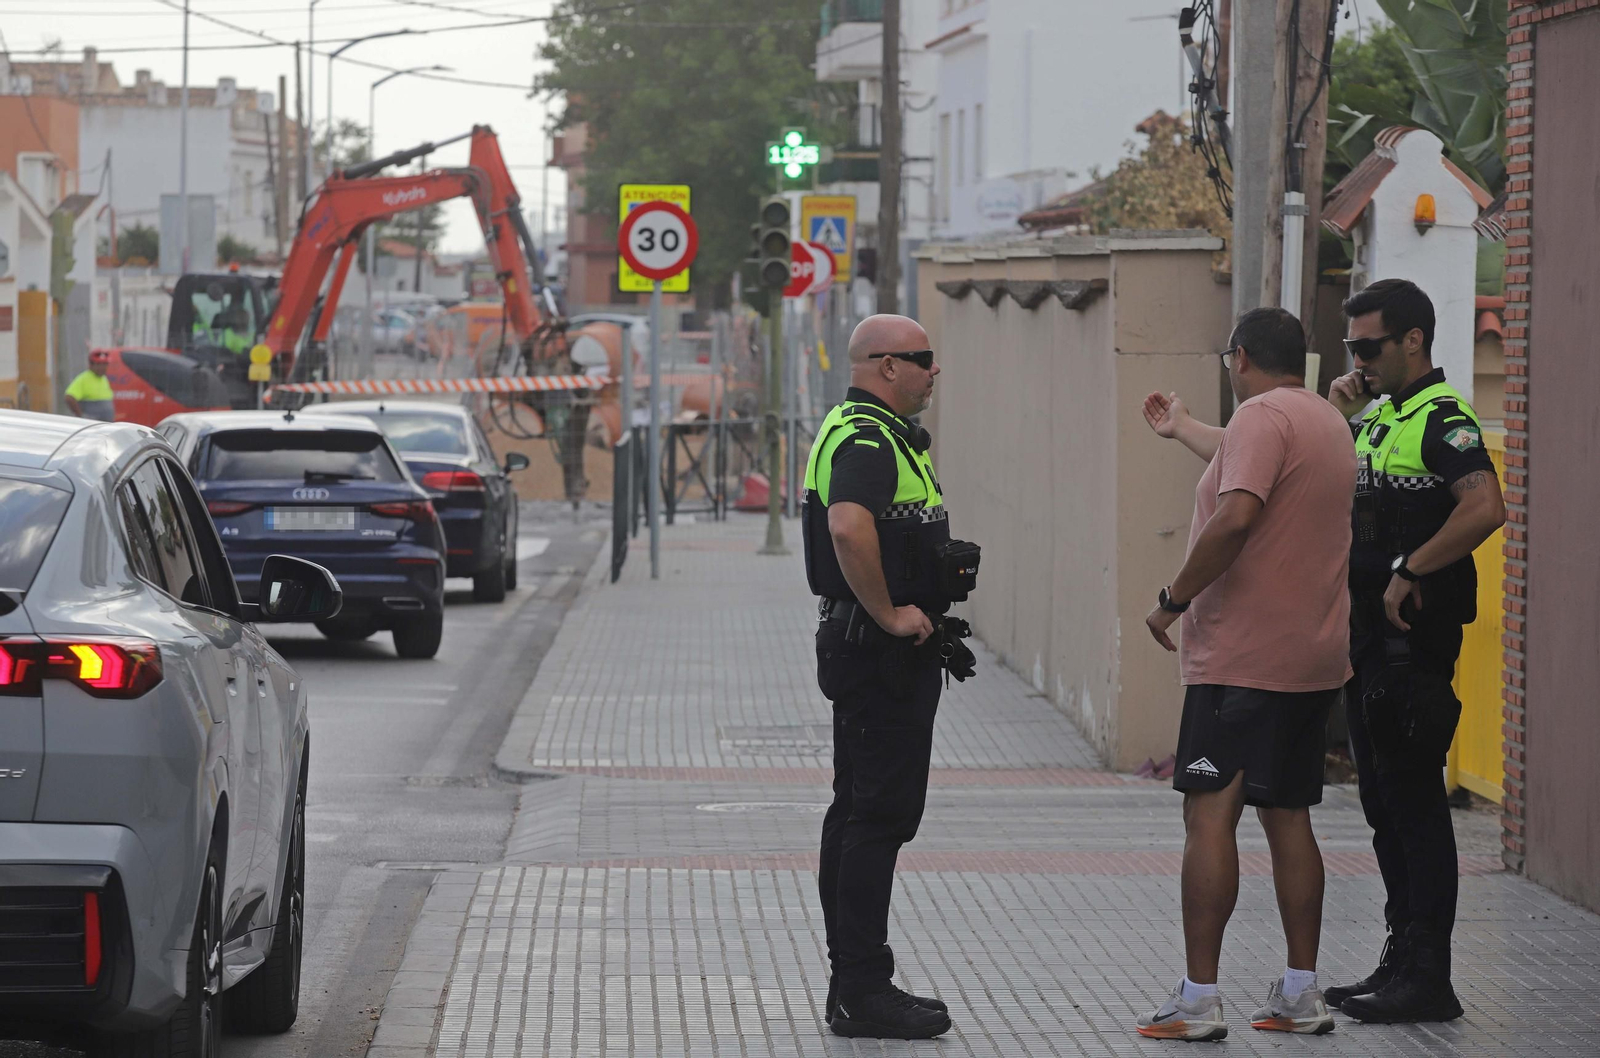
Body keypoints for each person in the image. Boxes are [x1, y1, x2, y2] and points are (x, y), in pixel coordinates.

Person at [1137, 307, 1356, 1041]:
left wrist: (1172, 601)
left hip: (1241, 659)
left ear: (1239, 359)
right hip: (1311, 655)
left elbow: (1235, 515)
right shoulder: (1324, 421)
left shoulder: (1262, 418)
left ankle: (1198, 999)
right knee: (1287, 813)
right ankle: (1302, 992)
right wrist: (1183, 429)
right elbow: (1241, 454)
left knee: (1210, 813)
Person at [1322, 278, 1505, 1023]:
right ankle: (1401, 959)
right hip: (1366, 644)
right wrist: (1339, 414)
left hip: (1410, 650)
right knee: (1383, 805)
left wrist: (1410, 569)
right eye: (1350, 348)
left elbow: (1486, 505)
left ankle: (1430, 976)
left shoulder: (1442, 418)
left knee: (1416, 806)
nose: (1357, 361)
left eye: (1368, 347)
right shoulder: (1378, 419)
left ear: (1413, 343)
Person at [801, 313, 977, 1041]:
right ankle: (863, 989)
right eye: (924, 358)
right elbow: (848, 525)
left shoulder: (871, 429)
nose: (936, 371)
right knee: (877, 815)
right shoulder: (869, 437)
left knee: (860, 812)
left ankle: (856, 982)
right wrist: (889, 612)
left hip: (869, 651)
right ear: (885, 365)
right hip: (876, 653)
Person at [64, 350, 116, 421]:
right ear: (91, 365)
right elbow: (69, 397)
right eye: (99, 364)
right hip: (93, 427)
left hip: (105, 425)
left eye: (105, 364)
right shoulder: (84, 378)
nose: (102, 367)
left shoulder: (103, 378)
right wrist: (81, 416)